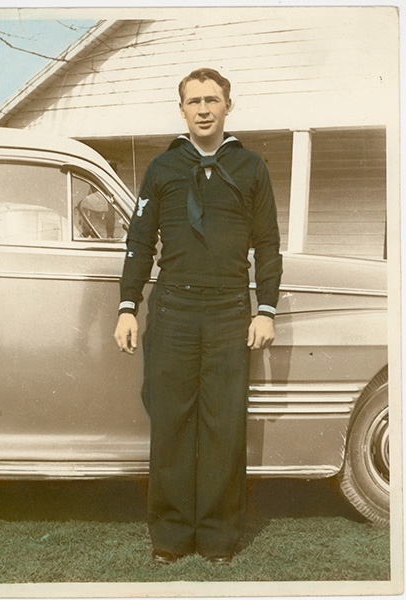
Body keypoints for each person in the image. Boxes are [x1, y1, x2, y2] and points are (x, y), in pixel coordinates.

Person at [114, 68, 282, 565]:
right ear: (181, 109)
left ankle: (217, 539)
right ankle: (169, 537)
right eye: (194, 101)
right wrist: (128, 305)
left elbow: (268, 244)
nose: (204, 109)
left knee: (223, 424)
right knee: (170, 421)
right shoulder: (162, 169)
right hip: (172, 311)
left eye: (213, 99)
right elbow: (140, 242)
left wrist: (265, 309)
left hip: (230, 310)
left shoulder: (252, 167)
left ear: (229, 105)